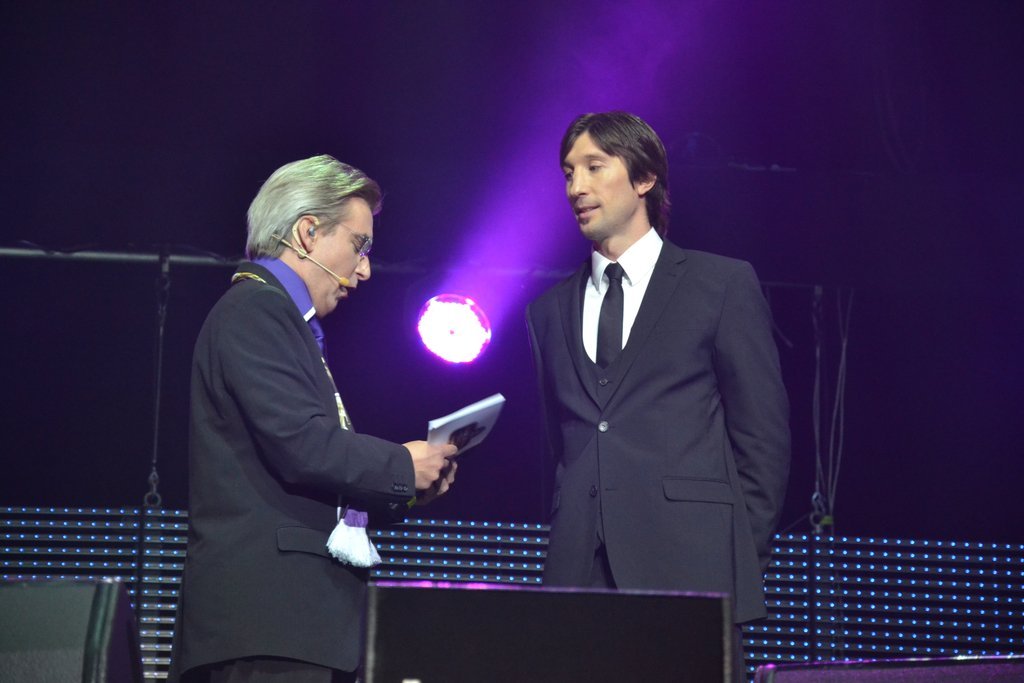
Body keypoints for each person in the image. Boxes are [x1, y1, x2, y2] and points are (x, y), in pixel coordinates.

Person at [170, 154, 458, 682]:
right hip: (268, 621)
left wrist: (406, 488)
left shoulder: (279, 318)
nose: (365, 269)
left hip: (291, 625)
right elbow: (302, 445)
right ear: (307, 233)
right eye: (359, 245)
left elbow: (308, 476)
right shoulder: (256, 309)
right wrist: (401, 464)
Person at [526, 112, 790, 681]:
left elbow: (762, 441)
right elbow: (560, 445)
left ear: (644, 178)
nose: (576, 187)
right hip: (578, 577)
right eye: (568, 172)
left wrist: (732, 557)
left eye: (595, 167)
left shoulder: (719, 285)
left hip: (692, 569)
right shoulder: (548, 311)